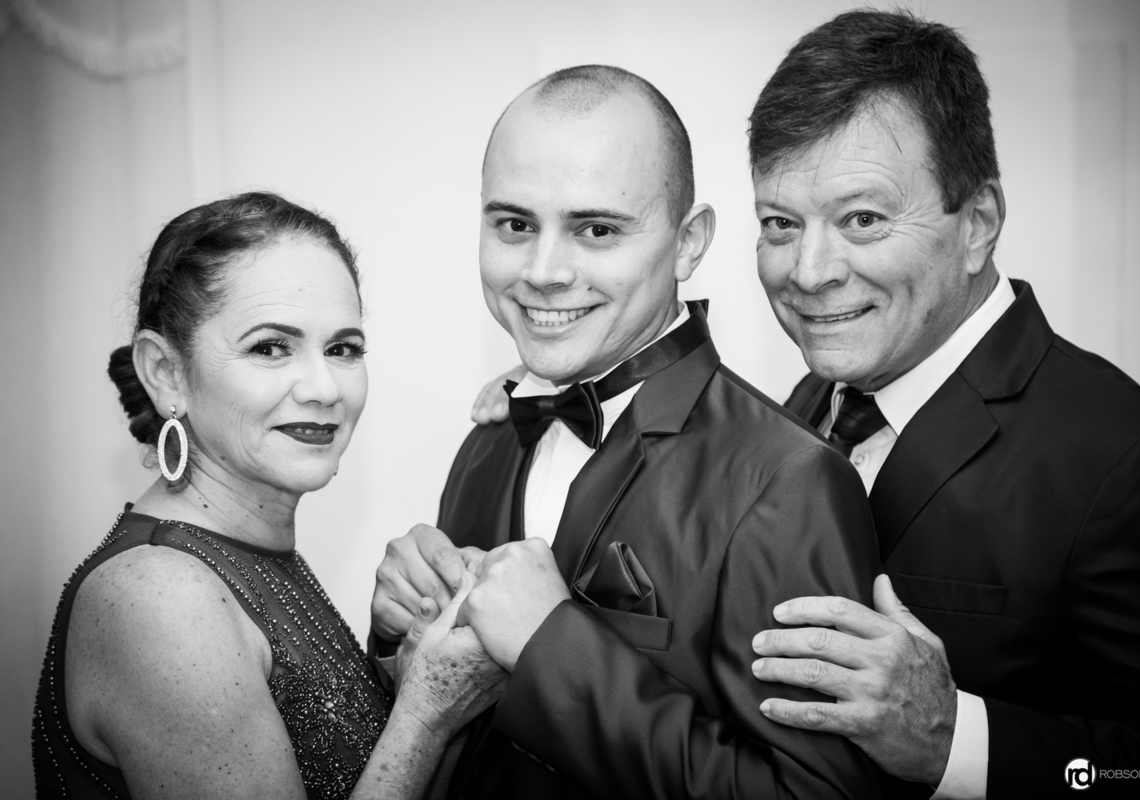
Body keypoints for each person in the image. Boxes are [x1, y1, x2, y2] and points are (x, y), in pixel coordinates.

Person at [371, 65, 887, 798]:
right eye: (515, 225)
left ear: (688, 243)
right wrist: (402, 642)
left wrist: (551, 645)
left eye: (597, 230)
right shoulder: (486, 444)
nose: (544, 272)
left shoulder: (789, 481)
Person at [743, 9, 1140, 798]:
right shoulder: (807, 404)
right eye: (781, 224)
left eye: (862, 219)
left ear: (978, 224)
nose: (809, 272)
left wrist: (956, 739)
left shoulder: (1132, 463)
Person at [31, 192, 505, 799]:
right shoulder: (161, 598)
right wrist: (426, 710)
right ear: (166, 372)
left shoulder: (248, 555)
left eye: (343, 349)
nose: (324, 388)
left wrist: (409, 659)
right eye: (269, 347)